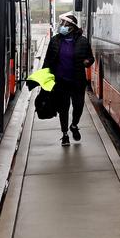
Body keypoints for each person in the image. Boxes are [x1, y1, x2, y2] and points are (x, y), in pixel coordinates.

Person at [42, 12, 95, 146]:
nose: (61, 26)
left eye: (64, 23)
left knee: (78, 106)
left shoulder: (83, 41)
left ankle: (74, 125)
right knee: (63, 109)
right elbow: (48, 60)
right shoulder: (55, 40)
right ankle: (65, 134)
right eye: (61, 23)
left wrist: (87, 62)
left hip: (77, 82)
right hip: (60, 82)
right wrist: (44, 79)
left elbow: (91, 58)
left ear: (71, 26)